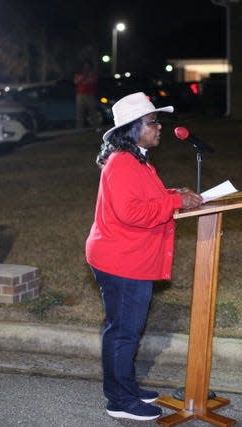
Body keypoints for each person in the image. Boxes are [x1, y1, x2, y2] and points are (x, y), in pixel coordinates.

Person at [85, 92, 203, 421]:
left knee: (128, 329)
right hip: (120, 260)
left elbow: (145, 198)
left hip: (128, 257)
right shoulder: (123, 162)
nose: (159, 127)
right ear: (133, 128)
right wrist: (176, 203)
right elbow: (131, 212)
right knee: (123, 331)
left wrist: (172, 194)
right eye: (153, 122)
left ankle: (127, 386)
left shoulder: (137, 159)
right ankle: (119, 400)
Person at [73, 60, 99, 128]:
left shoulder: (92, 74)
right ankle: (80, 128)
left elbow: (92, 81)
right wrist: (83, 78)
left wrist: (83, 80)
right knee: (80, 112)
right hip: (80, 95)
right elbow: (76, 82)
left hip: (90, 95)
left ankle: (96, 127)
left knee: (93, 112)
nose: (86, 67)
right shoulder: (78, 74)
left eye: (87, 66)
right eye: (84, 66)